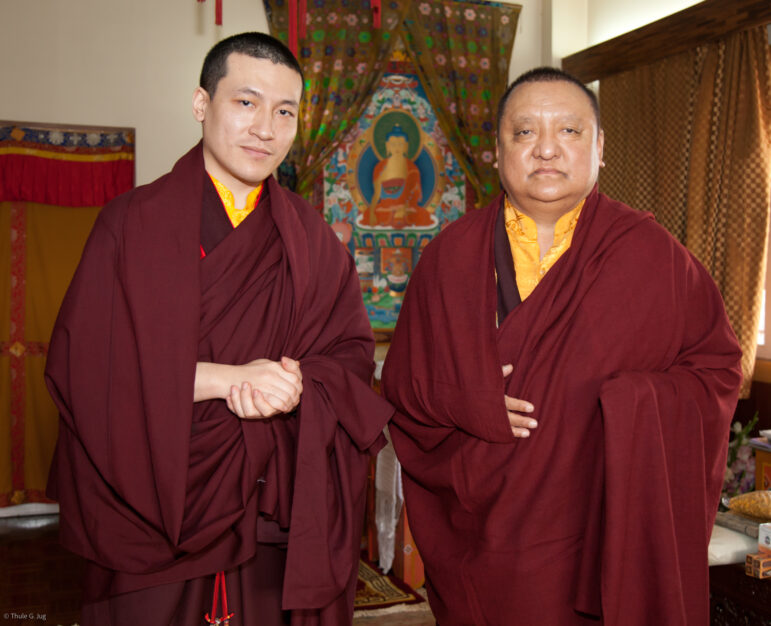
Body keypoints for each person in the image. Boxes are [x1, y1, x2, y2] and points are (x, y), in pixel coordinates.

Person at [45, 32, 393, 625]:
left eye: (285, 112)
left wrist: (297, 384)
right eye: (246, 102)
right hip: (150, 495)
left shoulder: (312, 240)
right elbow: (87, 370)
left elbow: (350, 357)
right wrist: (233, 379)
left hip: (269, 503)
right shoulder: (131, 224)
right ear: (202, 104)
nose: (265, 128)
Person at [381, 67, 742, 625]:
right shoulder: (449, 258)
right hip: (486, 533)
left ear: (599, 149)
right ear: (496, 153)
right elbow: (404, 387)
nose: (547, 149)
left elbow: (716, 370)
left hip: (601, 520)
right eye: (524, 133)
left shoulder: (653, 256)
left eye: (570, 132)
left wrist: (632, 404)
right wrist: (466, 401)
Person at [365, 124, 426, 228]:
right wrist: (371, 213)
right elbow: (377, 194)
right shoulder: (380, 167)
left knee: (422, 215)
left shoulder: (412, 168)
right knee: (368, 214)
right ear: (387, 146)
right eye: (393, 144)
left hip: (407, 208)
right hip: (384, 208)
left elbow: (415, 195)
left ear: (406, 146)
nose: (397, 147)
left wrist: (404, 207)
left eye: (400, 144)